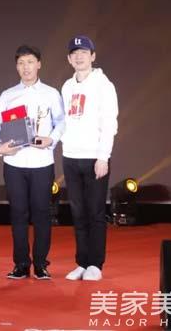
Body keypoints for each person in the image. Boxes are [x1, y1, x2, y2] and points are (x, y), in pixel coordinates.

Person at [0, 45, 65, 280]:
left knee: (42, 214)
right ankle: (21, 264)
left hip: (42, 162)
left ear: (38, 64)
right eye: (21, 63)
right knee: (18, 214)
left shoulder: (51, 93)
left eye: (30, 62)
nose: (26, 67)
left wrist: (51, 139)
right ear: (16, 67)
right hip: (15, 163)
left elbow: (62, 121)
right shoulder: (8, 95)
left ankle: (40, 264)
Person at [61, 35, 118, 282]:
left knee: (95, 212)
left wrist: (103, 156)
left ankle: (95, 263)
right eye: (74, 53)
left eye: (84, 52)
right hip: (70, 157)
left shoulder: (104, 85)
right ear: (69, 59)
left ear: (92, 56)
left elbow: (109, 123)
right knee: (78, 212)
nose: (79, 57)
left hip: (95, 157)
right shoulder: (67, 86)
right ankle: (82, 262)